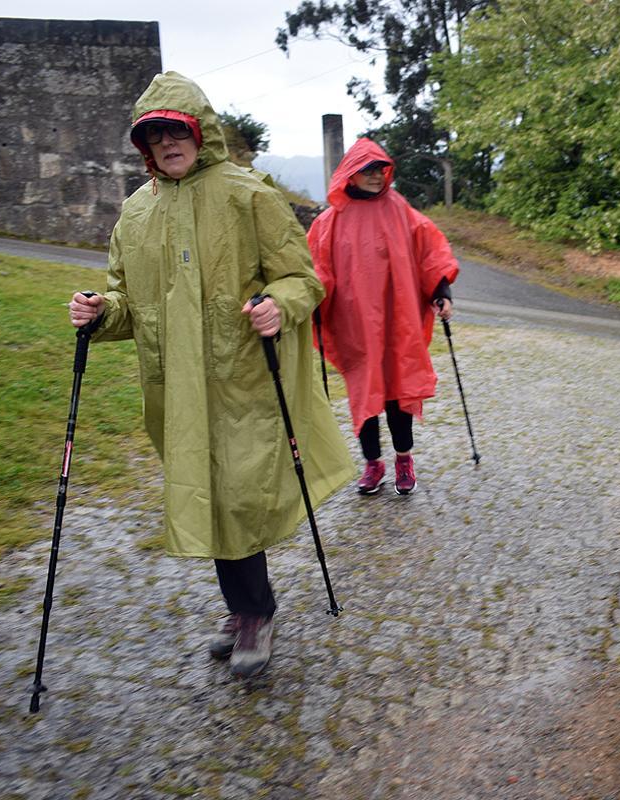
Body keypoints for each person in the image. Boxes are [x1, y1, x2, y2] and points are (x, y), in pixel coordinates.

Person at [67, 71, 352, 679]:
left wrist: (281, 304)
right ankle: (244, 607)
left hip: (243, 380)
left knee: (238, 496)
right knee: (211, 498)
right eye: (155, 134)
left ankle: (255, 612)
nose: (169, 142)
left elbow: (302, 278)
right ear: (144, 146)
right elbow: (129, 303)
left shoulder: (249, 196)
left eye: (178, 130)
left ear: (201, 132)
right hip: (178, 388)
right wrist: (99, 313)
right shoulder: (135, 214)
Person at [307, 139, 460, 496]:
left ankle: (404, 459)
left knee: (397, 390)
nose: (375, 176)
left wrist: (440, 290)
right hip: (355, 325)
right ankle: (372, 463)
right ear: (351, 174)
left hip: (397, 320)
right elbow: (317, 268)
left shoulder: (399, 209)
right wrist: (312, 298)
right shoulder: (331, 220)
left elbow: (428, 249)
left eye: (380, 169)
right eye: (367, 170)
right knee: (364, 393)